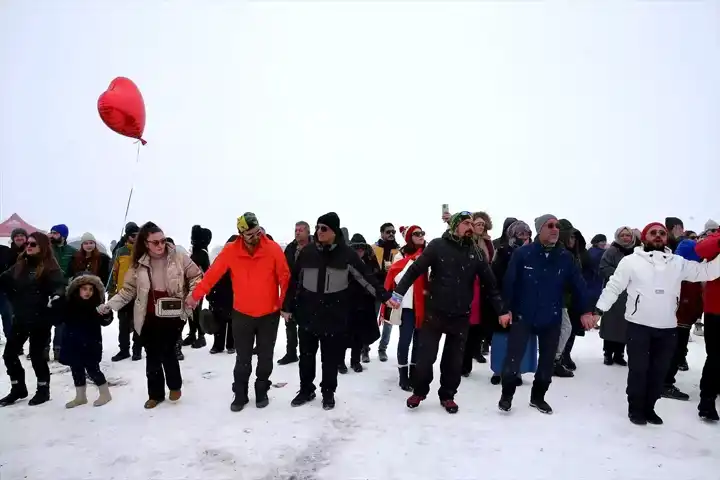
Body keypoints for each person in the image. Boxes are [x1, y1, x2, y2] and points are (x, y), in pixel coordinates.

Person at [595, 222, 720, 425]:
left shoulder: (677, 262)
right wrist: (599, 311)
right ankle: (636, 408)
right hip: (638, 325)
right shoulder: (631, 261)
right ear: (644, 238)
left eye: (662, 233)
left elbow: (706, 272)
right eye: (653, 233)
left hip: (668, 327)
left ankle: (650, 407)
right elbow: (614, 287)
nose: (658, 236)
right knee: (639, 370)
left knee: (659, 372)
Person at [392, 212, 509, 414]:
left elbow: (491, 285)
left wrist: (502, 310)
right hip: (435, 313)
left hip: (460, 315)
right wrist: (398, 294)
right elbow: (415, 270)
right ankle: (419, 391)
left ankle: (447, 395)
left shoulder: (476, 253)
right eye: (466, 223)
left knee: (453, 361)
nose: (470, 227)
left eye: (472, 223)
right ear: (455, 226)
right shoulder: (438, 246)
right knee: (425, 358)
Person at [282, 212, 391, 410]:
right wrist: (287, 306)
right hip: (307, 314)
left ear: (334, 231)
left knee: (330, 358)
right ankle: (306, 389)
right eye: (317, 227)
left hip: (334, 316)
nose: (319, 232)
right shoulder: (307, 253)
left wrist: (385, 297)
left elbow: (366, 278)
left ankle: (328, 392)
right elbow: (294, 281)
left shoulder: (346, 255)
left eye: (324, 228)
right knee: (306, 356)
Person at [187, 213, 290, 412]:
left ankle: (262, 389)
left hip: (269, 315)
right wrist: (196, 295)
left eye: (257, 231)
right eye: (250, 234)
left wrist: (283, 305)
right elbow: (211, 276)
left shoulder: (273, 249)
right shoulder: (231, 251)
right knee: (243, 358)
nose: (256, 236)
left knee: (265, 357)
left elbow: (284, 279)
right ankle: (240, 393)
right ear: (241, 233)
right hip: (242, 314)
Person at [498, 214, 593, 415]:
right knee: (513, 358)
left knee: (547, 361)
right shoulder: (524, 254)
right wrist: (505, 309)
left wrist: (586, 310)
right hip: (524, 314)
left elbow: (579, 286)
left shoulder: (565, 257)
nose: (555, 229)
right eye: (550, 225)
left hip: (551, 316)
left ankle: (538, 397)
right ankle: (507, 395)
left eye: (557, 226)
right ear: (540, 229)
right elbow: (510, 283)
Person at [101, 222, 203, 409]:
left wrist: (192, 296)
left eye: (163, 241)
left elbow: (197, 277)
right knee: (152, 355)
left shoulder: (179, 258)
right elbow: (128, 291)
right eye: (155, 242)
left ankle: (174, 385)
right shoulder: (138, 264)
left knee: (168, 350)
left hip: (174, 313)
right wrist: (109, 305)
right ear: (145, 243)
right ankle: (155, 394)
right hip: (147, 315)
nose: (160, 245)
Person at [0, 232, 66, 406]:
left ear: (42, 246)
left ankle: (43, 389)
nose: (28, 246)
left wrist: (57, 297)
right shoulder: (20, 265)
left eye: (33, 244)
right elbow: (4, 280)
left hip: (40, 319)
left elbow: (60, 286)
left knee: (37, 356)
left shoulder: (50, 267)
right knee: (9, 355)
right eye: (28, 243)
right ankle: (18, 388)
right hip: (20, 318)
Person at [51, 273, 113, 408]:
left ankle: (105, 393)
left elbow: (106, 321)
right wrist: (54, 306)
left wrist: (106, 313)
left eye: (91, 289)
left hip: (91, 343)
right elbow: (56, 320)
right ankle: (80, 396)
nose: (88, 292)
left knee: (93, 369)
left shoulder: (96, 304)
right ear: (77, 289)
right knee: (76, 368)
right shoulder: (68, 303)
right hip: (72, 342)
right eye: (84, 289)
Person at [381, 225, 427, 391]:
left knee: (419, 342)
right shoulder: (400, 255)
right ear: (409, 237)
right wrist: (412, 261)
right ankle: (403, 375)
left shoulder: (429, 253)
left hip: (423, 304)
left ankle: (414, 373)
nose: (421, 236)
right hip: (407, 306)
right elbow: (398, 277)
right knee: (405, 341)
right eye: (416, 234)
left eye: (422, 233)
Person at [489, 220, 534, 386]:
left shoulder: (534, 253)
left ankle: (518, 370)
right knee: (501, 337)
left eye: (527, 234)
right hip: (503, 300)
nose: (524, 237)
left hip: (524, 302)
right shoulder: (502, 252)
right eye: (520, 234)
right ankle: (498, 369)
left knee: (521, 338)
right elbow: (495, 276)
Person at [661, 239, 703, 401]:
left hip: (682, 319)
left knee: (675, 351)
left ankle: (663, 382)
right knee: (675, 352)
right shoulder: (683, 273)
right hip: (679, 320)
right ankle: (665, 384)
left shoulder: (685, 270)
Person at [341, 235, 382, 374]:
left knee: (360, 334)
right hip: (347, 302)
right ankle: (340, 362)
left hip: (365, 302)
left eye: (361, 248)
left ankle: (355, 361)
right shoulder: (344, 260)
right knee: (344, 333)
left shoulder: (370, 261)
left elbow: (377, 278)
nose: (359, 251)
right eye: (356, 248)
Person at [598, 227, 636, 366]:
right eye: (622, 235)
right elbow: (603, 267)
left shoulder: (636, 252)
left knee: (625, 325)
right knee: (611, 324)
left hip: (630, 294)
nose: (625, 238)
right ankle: (608, 353)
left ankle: (619, 354)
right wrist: (621, 275)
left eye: (628, 235)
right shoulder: (611, 251)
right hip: (614, 292)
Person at [694, 227, 720, 421]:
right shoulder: (716, 237)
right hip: (716, 310)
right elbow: (701, 250)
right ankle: (707, 400)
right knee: (716, 356)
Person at [278, 221, 312, 365]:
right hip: (292, 290)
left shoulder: (316, 248)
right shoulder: (291, 249)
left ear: (308, 232)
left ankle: (307, 354)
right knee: (290, 324)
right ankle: (291, 353)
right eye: (296, 230)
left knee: (307, 327)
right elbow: (284, 271)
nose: (297, 232)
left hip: (310, 292)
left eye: (301, 230)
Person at [109, 222, 142, 362]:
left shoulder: (143, 252)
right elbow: (113, 273)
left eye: (138, 236)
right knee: (123, 324)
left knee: (138, 324)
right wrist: (111, 292)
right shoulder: (120, 252)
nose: (135, 238)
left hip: (140, 293)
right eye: (133, 235)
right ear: (127, 236)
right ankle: (124, 350)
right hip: (123, 293)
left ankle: (137, 350)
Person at [369, 222, 400, 362]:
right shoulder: (373, 249)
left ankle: (383, 349)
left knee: (388, 321)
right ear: (382, 233)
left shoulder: (399, 251)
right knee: (370, 320)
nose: (391, 234)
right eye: (388, 232)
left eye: (393, 232)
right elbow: (367, 270)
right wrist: (380, 271)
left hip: (391, 291)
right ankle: (365, 348)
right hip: (375, 290)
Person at [49, 224, 77, 361]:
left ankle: (58, 348)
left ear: (63, 235)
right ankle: (43, 348)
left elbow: (77, 268)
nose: (52, 235)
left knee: (61, 321)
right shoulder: (47, 249)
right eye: (51, 232)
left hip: (64, 289)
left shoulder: (72, 251)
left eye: (55, 233)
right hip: (46, 287)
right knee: (44, 319)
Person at [207, 235, 238, 355]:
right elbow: (211, 277)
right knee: (219, 321)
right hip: (219, 295)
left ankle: (231, 345)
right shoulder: (220, 259)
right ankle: (218, 345)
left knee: (232, 322)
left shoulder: (241, 261)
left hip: (234, 296)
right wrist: (210, 294)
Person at [183, 225, 212, 349]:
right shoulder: (197, 251)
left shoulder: (201, 253)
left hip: (197, 287)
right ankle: (193, 334)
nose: (192, 239)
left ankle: (201, 336)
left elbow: (206, 272)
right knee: (191, 311)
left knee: (196, 311)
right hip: (191, 286)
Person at [0, 228, 27, 345]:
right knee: (9, 316)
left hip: (27, 289)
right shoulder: (7, 252)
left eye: (22, 235)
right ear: (13, 238)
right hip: (8, 290)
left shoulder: (33, 250)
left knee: (22, 318)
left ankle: (20, 343)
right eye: (17, 236)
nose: (19, 238)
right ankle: (13, 342)